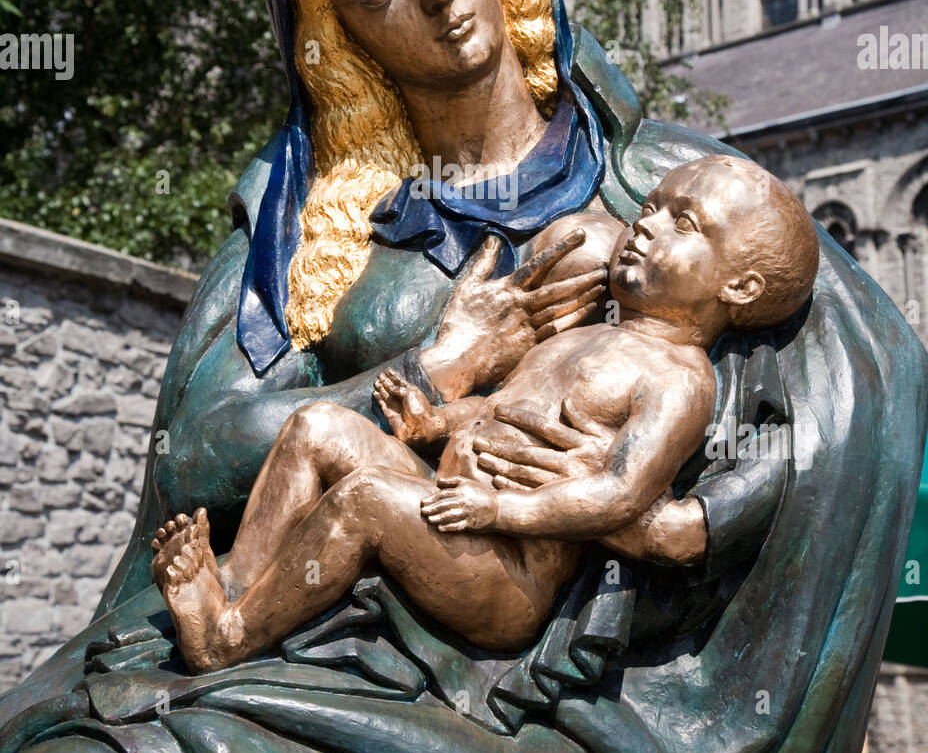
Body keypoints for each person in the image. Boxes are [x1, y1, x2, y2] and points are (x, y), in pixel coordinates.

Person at [0, 0, 923, 753]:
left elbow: (859, 396)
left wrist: (661, 521)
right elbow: (196, 457)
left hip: (560, 696)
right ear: (335, 36)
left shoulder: (672, 192)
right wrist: (431, 366)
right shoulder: (302, 220)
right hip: (315, 625)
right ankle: (223, 627)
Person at [151, 156, 819, 672]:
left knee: (367, 500)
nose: (645, 223)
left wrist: (502, 513)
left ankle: (225, 639)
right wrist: (432, 423)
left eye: (685, 222)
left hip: (506, 573)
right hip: (448, 503)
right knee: (318, 427)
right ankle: (234, 580)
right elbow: (497, 411)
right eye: (651, 206)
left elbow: (620, 494)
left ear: (740, 287)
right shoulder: (579, 335)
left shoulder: (680, 379)